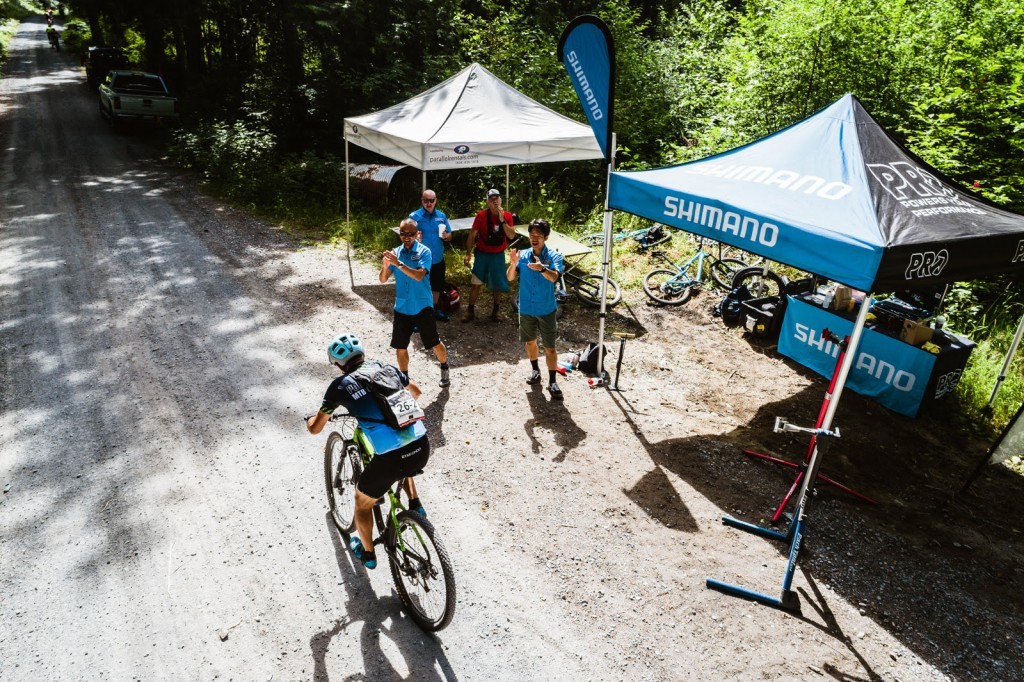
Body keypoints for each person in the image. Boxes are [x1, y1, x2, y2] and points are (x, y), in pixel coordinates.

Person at [306, 333, 430, 570]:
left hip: (392, 461)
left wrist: (310, 420)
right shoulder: (385, 367)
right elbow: (416, 391)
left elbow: (315, 428)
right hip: (422, 445)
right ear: (362, 354)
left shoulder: (340, 386)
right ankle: (416, 504)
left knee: (362, 503)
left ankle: (368, 554)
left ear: (338, 365)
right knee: (403, 449)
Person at [381, 218, 450, 387]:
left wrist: (398, 264)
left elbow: (419, 276)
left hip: (422, 306)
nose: (406, 237)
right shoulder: (396, 253)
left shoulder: (424, 251)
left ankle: (444, 367)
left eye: (410, 234)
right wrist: (385, 266)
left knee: (434, 342)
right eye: (403, 233)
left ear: (417, 233)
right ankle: (404, 380)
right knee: (400, 346)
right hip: (402, 307)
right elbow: (383, 279)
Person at [506, 218, 565, 400]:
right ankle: (535, 370)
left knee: (550, 348)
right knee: (530, 342)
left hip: (546, 309)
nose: (534, 238)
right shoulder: (522, 255)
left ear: (545, 237)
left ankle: (553, 381)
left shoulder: (554, 256)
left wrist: (542, 269)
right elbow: (509, 278)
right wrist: (513, 263)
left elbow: (554, 277)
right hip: (526, 308)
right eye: (532, 234)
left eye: (538, 235)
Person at [463, 188, 515, 323]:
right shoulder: (481, 216)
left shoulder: (507, 215)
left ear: (501, 200)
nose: (495, 202)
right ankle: (470, 310)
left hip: (498, 254)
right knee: (476, 283)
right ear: (487, 202)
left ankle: (495, 311)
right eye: (492, 199)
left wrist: (503, 221)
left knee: (498, 284)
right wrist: (468, 253)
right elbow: (472, 235)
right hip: (482, 254)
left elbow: (511, 235)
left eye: (497, 198)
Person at [407, 189, 453, 320]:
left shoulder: (441, 216)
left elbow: (450, 235)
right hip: (420, 259)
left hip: (437, 258)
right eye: (426, 200)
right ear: (422, 201)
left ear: (435, 201)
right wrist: (414, 238)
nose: (429, 203)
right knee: (419, 287)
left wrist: (446, 236)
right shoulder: (414, 216)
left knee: (436, 286)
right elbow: (406, 237)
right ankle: (417, 315)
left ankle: (434, 310)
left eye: (431, 200)